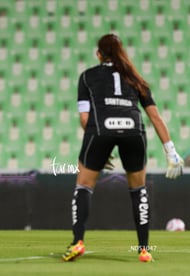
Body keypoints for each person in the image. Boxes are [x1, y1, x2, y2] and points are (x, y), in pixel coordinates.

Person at [62, 34, 184, 262]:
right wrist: (171, 152)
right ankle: (144, 250)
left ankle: (78, 242)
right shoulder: (136, 78)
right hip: (134, 132)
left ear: (99, 54)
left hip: (100, 130)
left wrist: (98, 149)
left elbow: (84, 119)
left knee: (84, 185)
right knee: (139, 190)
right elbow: (155, 117)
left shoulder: (87, 76)